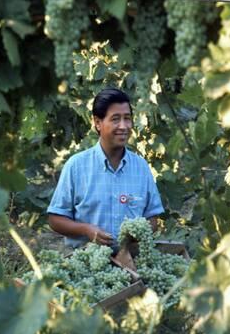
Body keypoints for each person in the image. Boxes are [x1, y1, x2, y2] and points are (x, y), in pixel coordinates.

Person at [47, 87, 164, 250]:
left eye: (127, 118)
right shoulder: (76, 166)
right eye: (115, 119)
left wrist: (137, 234)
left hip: (131, 264)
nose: (123, 126)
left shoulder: (141, 167)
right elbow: (55, 219)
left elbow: (152, 217)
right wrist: (86, 230)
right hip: (87, 265)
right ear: (97, 122)